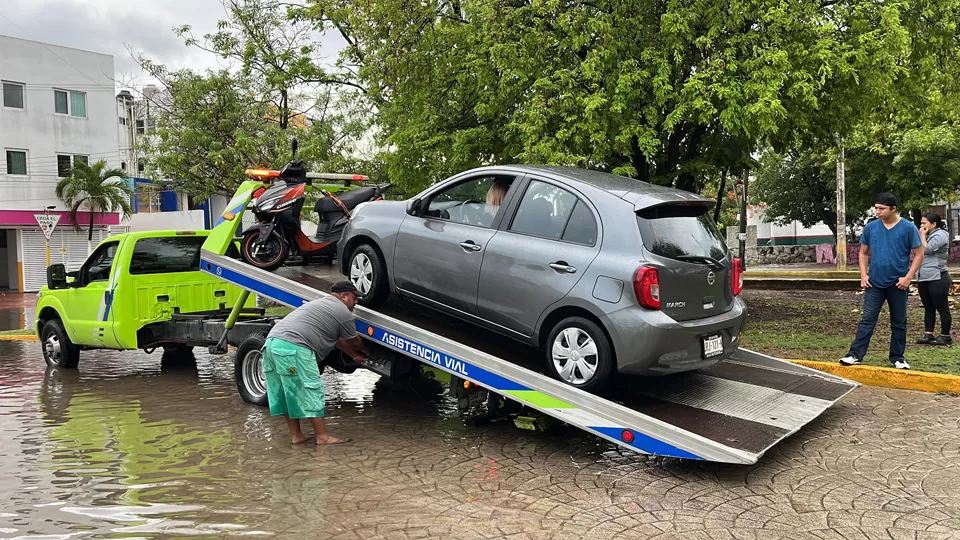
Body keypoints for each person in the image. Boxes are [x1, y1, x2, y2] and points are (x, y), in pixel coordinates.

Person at [261, 281, 369, 445]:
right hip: (294, 348)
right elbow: (353, 340)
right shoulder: (342, 312)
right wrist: (366, 351)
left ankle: (297, 436)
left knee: (285, 391)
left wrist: (354, 356)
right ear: (344, 296)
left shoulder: (320, 304)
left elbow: (337, 339)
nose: (356, 302)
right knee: (311, 388)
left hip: (271, 344)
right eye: (354, 298)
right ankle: (322, 437)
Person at [840, 192, 923, 369]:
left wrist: (908, 277)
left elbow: (919, 254)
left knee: (899, 321)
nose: (877, 212)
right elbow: (863, 252)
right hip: (874, 283)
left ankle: (897, 357)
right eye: (876, 208)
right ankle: (855, 354)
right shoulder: (871, 227)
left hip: (898, 283)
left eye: (881, 208)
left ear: (893, 209)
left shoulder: (908, 228)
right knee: (867, 319)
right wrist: (863, 275)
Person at [916, 212, 953, 346]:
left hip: (937, 276)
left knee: (942, 307)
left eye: (924, 223)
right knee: (928, 307)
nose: (922, 226)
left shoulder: (941, 234)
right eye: (921, 223)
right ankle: (928, 334)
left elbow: (929, 249)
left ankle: (945, 335)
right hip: (924, 276)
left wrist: (921, 235)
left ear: (934, 224)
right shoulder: (928, 235)